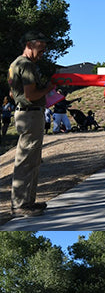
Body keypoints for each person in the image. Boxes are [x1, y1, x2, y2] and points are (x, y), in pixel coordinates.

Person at [6, 32, 55, 219]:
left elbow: (13, 94)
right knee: (27, 160)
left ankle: (28, 201)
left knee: (31, 159)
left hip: (25, 114)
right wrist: (49, 88)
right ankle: (20, 205)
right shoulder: (26, 65)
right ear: (29, 44)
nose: (44, 50)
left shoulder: (15, 64)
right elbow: (30, 96)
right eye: (41, 45)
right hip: (30, 114)